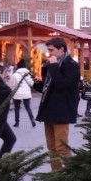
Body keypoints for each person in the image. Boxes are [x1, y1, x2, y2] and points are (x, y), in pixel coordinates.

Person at [35, 37, 80, 172]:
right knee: (51, 147)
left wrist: (53, 66)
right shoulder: (52, 63)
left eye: (51, 50)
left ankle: (73, 174)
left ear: (61, 49)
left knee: (61, 147)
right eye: (48, 50)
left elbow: (62, 84)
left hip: (61, 110)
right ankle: (56, 174)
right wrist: (35, 83)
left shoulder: (71, 65)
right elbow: (48, 86)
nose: (49, 53)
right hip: (49, 109)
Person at [9, 59, 37, 127]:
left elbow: (13, 85)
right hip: (26, 93)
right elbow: (31, 83)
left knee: (17, 107)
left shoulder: (15, 74)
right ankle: (32, 119)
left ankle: (17, 122)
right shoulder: (28, 74)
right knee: (27, 107)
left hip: (17, 94)